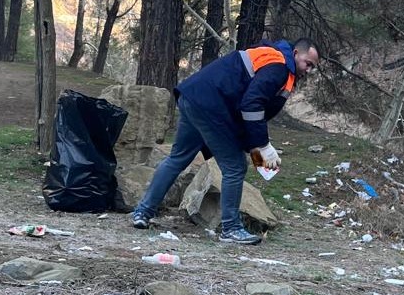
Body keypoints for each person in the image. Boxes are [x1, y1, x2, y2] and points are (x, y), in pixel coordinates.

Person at [131, 37, 320, 244]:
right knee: (235, 166)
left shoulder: (270, 55)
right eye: (307, 63)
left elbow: (242, 104)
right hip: (210, 107)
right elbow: (251, 105)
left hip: (193, 97)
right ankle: (231, 228)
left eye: (312, 67)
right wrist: (263, 145)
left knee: (177, 158)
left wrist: (254, 146)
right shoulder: (279, 67)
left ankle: (142, 212)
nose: (308, 70)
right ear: (295, 54)